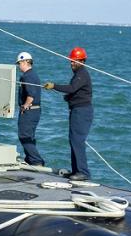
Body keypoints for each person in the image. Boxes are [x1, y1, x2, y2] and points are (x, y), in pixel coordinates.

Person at [44, 46, 93, 181]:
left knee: (78, 141)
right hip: (77, 111)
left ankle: (83, 172)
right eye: (71, 61)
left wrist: (54, 86)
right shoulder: (78, 74)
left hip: (82, 112)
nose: (71, 64)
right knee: (73, 140)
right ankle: (76, 170)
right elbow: (77, 92)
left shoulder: (82, 73)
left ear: (81, 61)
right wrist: (69, 98)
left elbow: (72, 88)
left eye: (74, 61)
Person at [16, 51, 44, 166]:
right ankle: (30, 159)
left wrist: (25, 106)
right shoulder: (33, 74)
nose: (18, 66)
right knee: (30, 136)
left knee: (24, 135)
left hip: (29, 111)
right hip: (35, 111)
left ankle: (36, 161)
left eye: (19, 63)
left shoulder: (27, 76)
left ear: (26, 62)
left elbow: (31, 95)